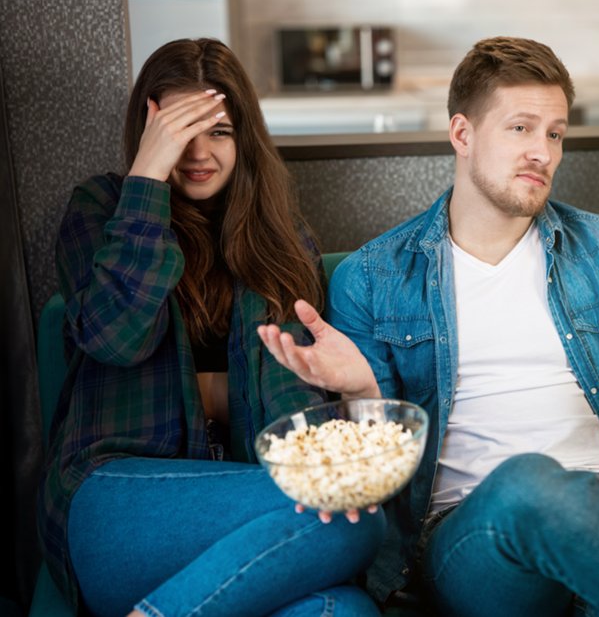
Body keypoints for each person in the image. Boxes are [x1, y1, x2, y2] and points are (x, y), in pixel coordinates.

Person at [259, 36, 599, 617]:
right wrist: (361, 392)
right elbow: (380, 482)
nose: (542, 152)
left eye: (555, 133)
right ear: (463, 134)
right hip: (470, 533)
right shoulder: (374, 276)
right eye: (520, 128)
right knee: (529, 484)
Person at [38, 38, 384, 617]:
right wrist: (147, 176)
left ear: (243, 137)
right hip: (114, 501)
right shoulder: (100, 207)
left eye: (218, 132)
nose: (198, 152)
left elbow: (292, 403)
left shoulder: (281, 239)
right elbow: (115, 339)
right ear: (149, 133)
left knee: (340, 609)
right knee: (353, 518)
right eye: (179, 131)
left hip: (246, 518)